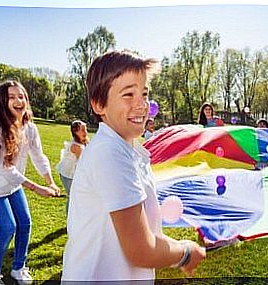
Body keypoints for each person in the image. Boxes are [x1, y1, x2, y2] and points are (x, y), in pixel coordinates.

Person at [62, 51, 206, 282]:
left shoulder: (128, 150)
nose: (142, 105)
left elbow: (146, 234)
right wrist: (186, 252)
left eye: (144, 93)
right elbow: (141, 250)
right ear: (99, 104)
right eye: (128, 94)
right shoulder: (109, 154)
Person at [0, 80, 60, 285]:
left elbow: (38, 155)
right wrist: (37, 188)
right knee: (8, 227)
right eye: (11, 97)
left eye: (21, 96)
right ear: (3, 102)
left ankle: (19, 268)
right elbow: (5, 168)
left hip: (12, 184)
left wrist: (51, 182)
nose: (18, 100)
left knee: (25, 223)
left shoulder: (30, 128)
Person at [56, 120, 89, 213]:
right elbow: (82, 163)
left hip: (75, 172)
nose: (85, 132)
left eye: (85, 129)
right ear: (75, 132)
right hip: (68, 174)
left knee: (78, 197)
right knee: (73, 196)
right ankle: (70, 221)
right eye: (82, 130)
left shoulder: (85, 141)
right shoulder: (76, 146)